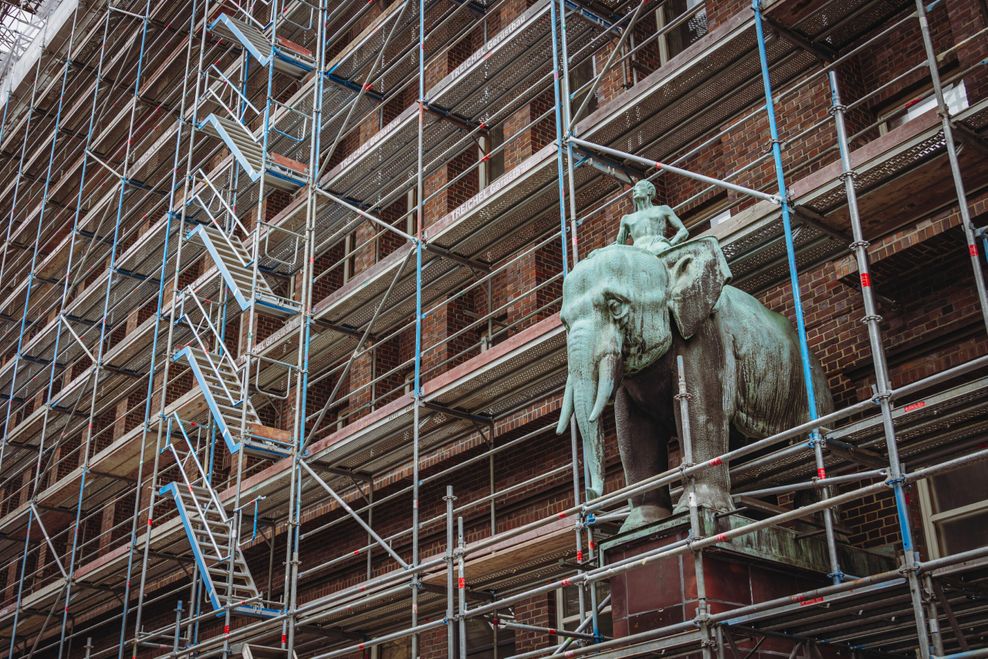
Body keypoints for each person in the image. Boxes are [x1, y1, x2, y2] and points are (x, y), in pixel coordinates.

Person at [615, 180, 689, 255]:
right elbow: (618, 246)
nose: (634, 190)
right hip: (638, 251)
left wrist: (670, 245)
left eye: (639, 186)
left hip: (659, 246)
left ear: (649, 191)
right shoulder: (627, 219)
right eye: (634, 189)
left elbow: (683, 231)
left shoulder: (662, 209)